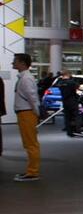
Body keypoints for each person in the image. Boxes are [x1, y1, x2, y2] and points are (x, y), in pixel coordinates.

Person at [12, 53, 40, 181]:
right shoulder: (24, 77)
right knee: (29, 143)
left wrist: (36, 112)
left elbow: (32, 97)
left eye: (15, 61)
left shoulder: (26, 78)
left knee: (31, 144)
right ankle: (31, 170)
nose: (13, 63)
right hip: (25, 113)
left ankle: (33, 172)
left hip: (27, 113)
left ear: (22, 63)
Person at [54, 70, 81, 137]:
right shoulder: (71, 82)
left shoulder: (61, 83)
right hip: (72, 100)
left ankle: (69, 132)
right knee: (76, 116)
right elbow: (78, 87)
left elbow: (57, 85)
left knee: (67, 117)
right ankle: (77, 130)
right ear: (69, 74)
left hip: (65, 101)